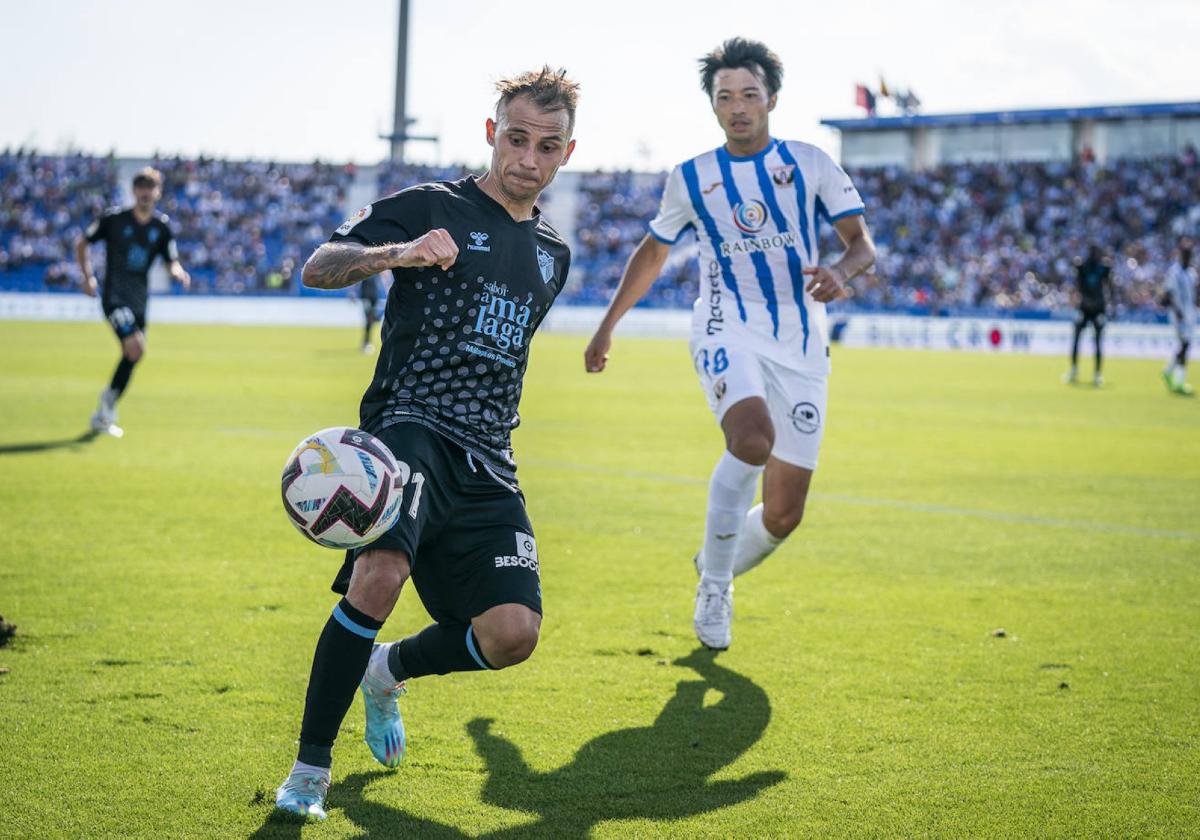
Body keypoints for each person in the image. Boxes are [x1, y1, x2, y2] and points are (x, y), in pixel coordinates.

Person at [274, 66, 578, 820]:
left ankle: (388, 671)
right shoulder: (431, 206)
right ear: (491, 134)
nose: (527, 159)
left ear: (566, 155)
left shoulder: (554, 253)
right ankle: (309, 773)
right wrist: (398, 254)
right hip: (409, 426)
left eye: (547, 146)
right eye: (515, 139)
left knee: (512, 634)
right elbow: (318, 267)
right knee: (378, 577)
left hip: (488, 458)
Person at [584, 37, 875, 651]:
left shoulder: (810, 162)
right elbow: (654, 251)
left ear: (772, 97)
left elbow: (861, 245)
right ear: (712, 106)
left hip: (800, 341)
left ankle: (712, 557)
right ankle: (715, 586)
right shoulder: (690, 177)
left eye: (749, 94)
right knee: (751, 439)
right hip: (724, 325)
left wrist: (841, 275)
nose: (738, 106)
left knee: (783, 515)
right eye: (725, 97)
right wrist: (608, 324)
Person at [74, 167, 190, 436]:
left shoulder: (161, 227)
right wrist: (87, 277)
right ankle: (106, 407)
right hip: (115, 297)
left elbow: (171, 259)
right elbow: (82, 243)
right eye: (141, 187)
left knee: (134, 353)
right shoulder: (114, 219)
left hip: (139, 301)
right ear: (134, 191)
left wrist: (178, 271)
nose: (145, 192)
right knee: (136, 347)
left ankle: (105, 408)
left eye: (150, 187)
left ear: (157, 192)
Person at [1064, 244, 1114, 387]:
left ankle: (1097, 374)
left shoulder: (1104, 267)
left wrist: (1110, 306)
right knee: (1077, 336)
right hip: (1085, 308)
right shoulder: (1082, 267)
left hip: (1098, 308)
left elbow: (1110, 287)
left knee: (1098, 340)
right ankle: (1074, 370)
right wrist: (1083, 301)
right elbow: (1078, 286)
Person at [1163, 238, 1196, 396]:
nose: (1188, 257)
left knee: (1184, 346)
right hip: (1179, 316)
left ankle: (1169, 371)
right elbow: (1167, 295)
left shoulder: (1191, 273)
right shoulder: (1174, 273)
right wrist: (1178, 313)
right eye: (1186, 254)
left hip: (1189, 315)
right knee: (1185, 344)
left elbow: (1194, 295)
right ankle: (1180, 380)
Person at [358, 273, 383, 353]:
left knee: (372, 320)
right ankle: (366, 343)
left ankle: (367, 342)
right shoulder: (365, 269)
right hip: (365, 296)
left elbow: (383, 279)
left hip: (374, 296)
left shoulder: (377, 270)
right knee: (369, 319)